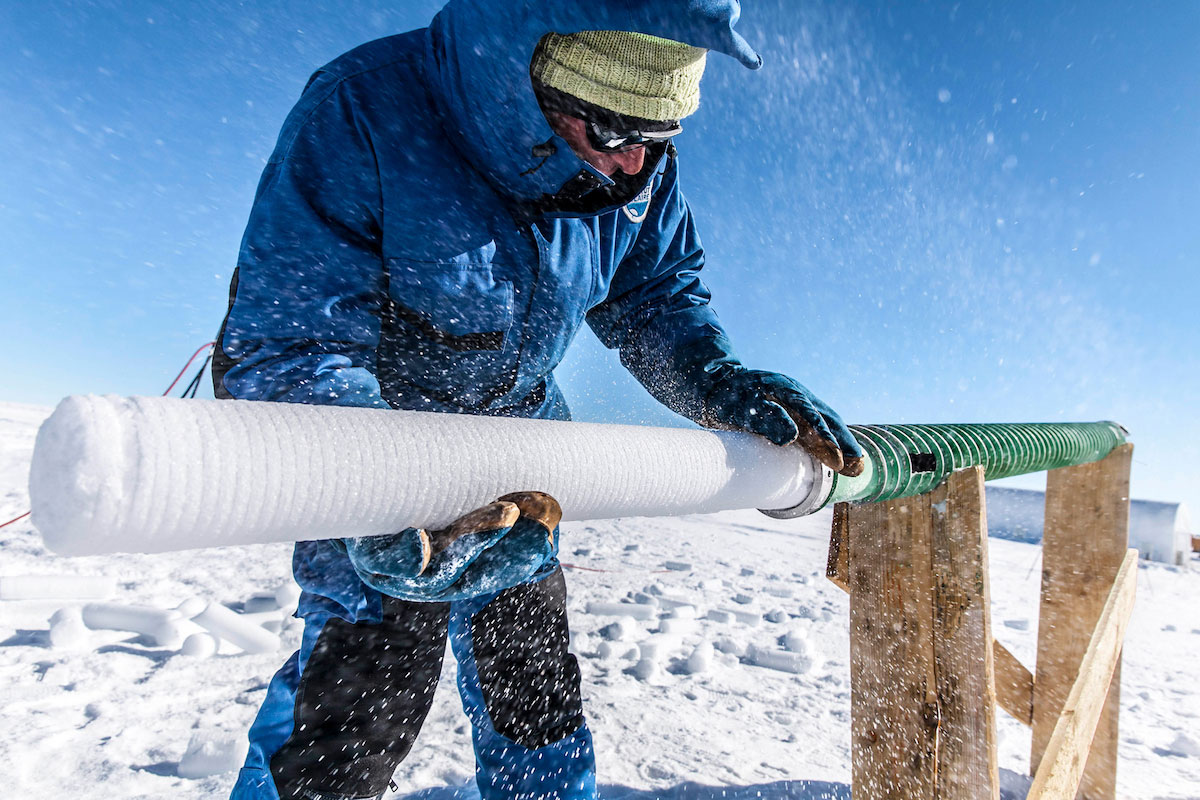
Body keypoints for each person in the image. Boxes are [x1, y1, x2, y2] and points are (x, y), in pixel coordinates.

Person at [214, 2, 864, 799]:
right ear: (529, 81)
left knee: (536, 695)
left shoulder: (635, 166)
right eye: (615, 135)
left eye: (659, 144)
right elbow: (293, 336)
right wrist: (372, 485)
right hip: (373, 459)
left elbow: (655, 293)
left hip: (524, 469)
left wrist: (715, 380)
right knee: (353, 712)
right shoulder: (363, 110)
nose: (634, 169)